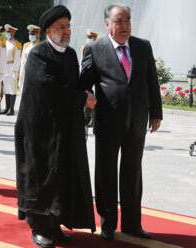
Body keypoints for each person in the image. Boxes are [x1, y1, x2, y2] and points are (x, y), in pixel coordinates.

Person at [15, 5, 96, 248]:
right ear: (48, 31)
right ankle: (39, 227)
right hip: (38, 130)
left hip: (62, 130)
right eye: (61, 27)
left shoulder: (70, 54)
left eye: (68, 26)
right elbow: (48, 87)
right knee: (40, 178)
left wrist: (91, 82)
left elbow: (75, 84)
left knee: (60, 176)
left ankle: (56, 225)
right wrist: (82, 98)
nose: (67, 31)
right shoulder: (38, 54)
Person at [80, 4, 163, 241]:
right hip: (107, 122)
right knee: (106, 174)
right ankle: (108, 223)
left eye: (127, 20)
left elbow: (151, 82)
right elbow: (84, 82)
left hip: (136, 122)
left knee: (132, 173)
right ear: (107, 24)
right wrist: (86, 94)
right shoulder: (95, 48)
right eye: (118, 21)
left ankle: (132, 224)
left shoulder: (142, 46)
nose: (124, 25)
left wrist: (156, 113)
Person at [0, 24, 21, 116]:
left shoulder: (17, 44)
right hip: (4, 67)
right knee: (6, 89)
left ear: (13, 33)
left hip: (11, 66)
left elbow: (17, 59)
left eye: (10, 32)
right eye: (7, 32)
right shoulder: (4, 43)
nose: (8, 34)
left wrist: (15, 71)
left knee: (12, 89)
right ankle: (7, 108)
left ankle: (11, 109)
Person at [82, 29, 98, 128]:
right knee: (87, 95)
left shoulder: (98, 47)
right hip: (86, 75)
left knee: (94, 98)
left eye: (90, 37)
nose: (89, 39)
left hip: (95, 76)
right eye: (88, 37)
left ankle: (94, 119)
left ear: (95, 38)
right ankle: (87, 118)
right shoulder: (84, 47)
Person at [18, 24, 41, 90]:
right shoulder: (26, 45)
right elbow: (23, 63)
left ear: (38, 35)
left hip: (35, 76)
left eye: (33, 34)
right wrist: (21, 77)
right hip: (26, 75)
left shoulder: (41, 46)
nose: (31, 35)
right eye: (30, 34)